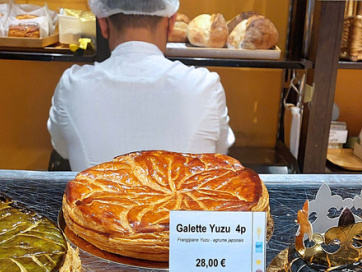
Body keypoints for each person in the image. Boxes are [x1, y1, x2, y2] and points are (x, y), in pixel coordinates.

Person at [47, 0, 235, 172]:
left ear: (103, 24)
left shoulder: (72, 86)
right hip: (183, 208)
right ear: (171, 23)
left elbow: (63, 149)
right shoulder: (204, 86)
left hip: (96, 208)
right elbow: (220, 155)